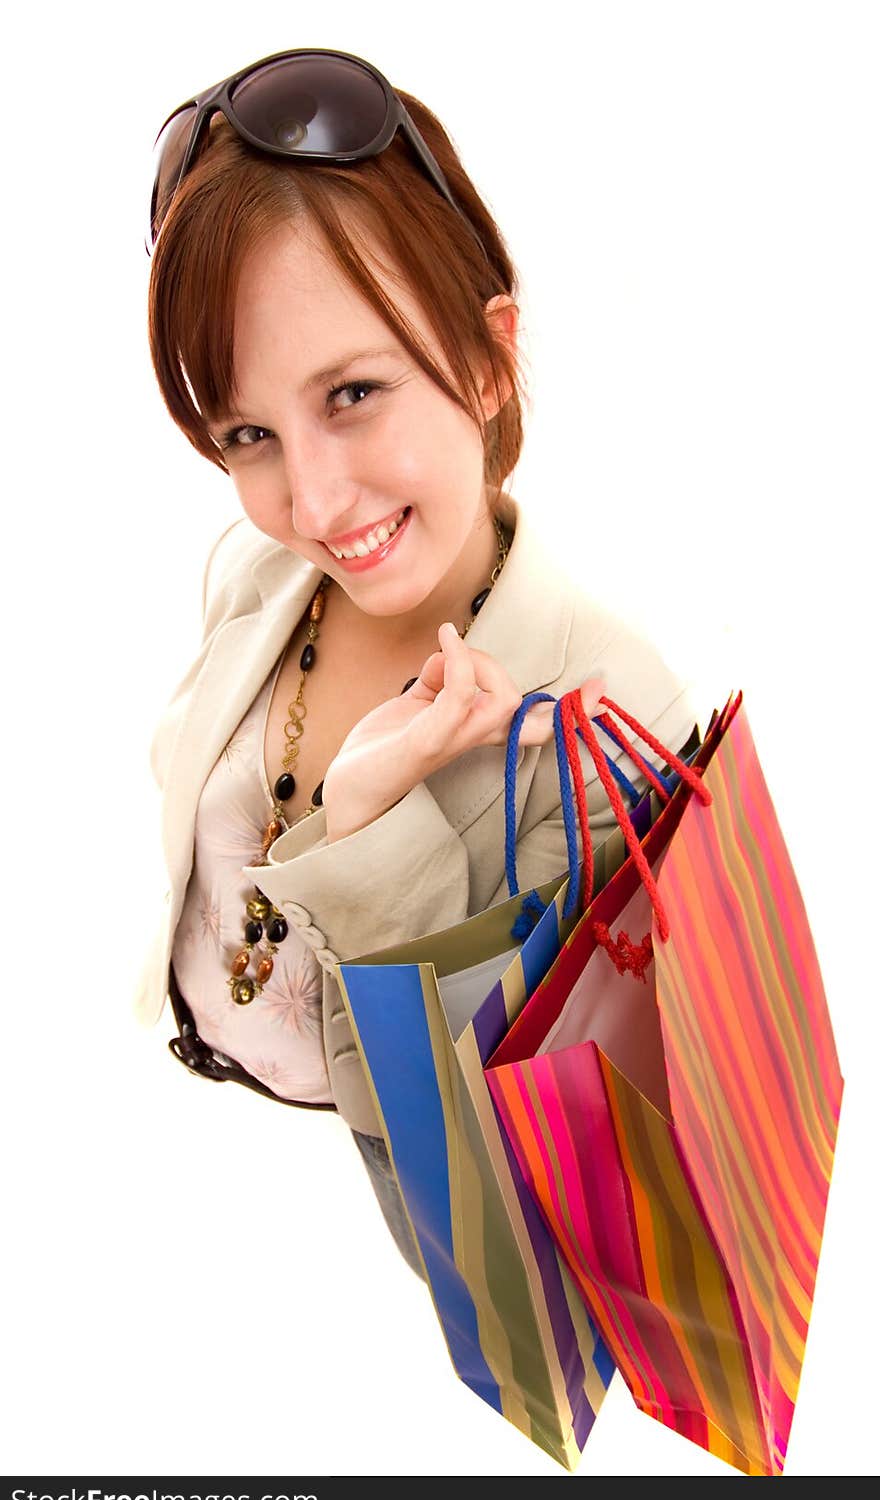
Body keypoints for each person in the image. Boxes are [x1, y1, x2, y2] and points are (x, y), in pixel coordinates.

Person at [133, 47, 701, 1280]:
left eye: (352, 392)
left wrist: (374, 824)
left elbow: (512, 1155)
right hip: (181, 1162)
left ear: (488, 356)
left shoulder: (614, 715)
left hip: (398, 1251)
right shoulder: (260, 573)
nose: (313, 500)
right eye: (249, 432)